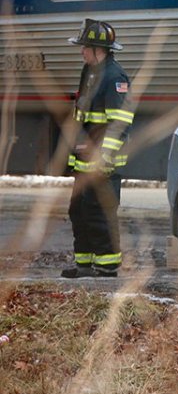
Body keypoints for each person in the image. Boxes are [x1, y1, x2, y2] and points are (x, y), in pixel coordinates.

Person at [61, 19, 134, 278]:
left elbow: (119, 123)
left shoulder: (115, 76)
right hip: (83, 161)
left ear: (97, 49)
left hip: (103, 163)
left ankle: (107, 266)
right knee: (79, 210)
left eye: (84, 47)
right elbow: (83, 116)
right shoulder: (89, 71)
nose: (81, 51)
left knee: (99, 211)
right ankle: (85, 264)